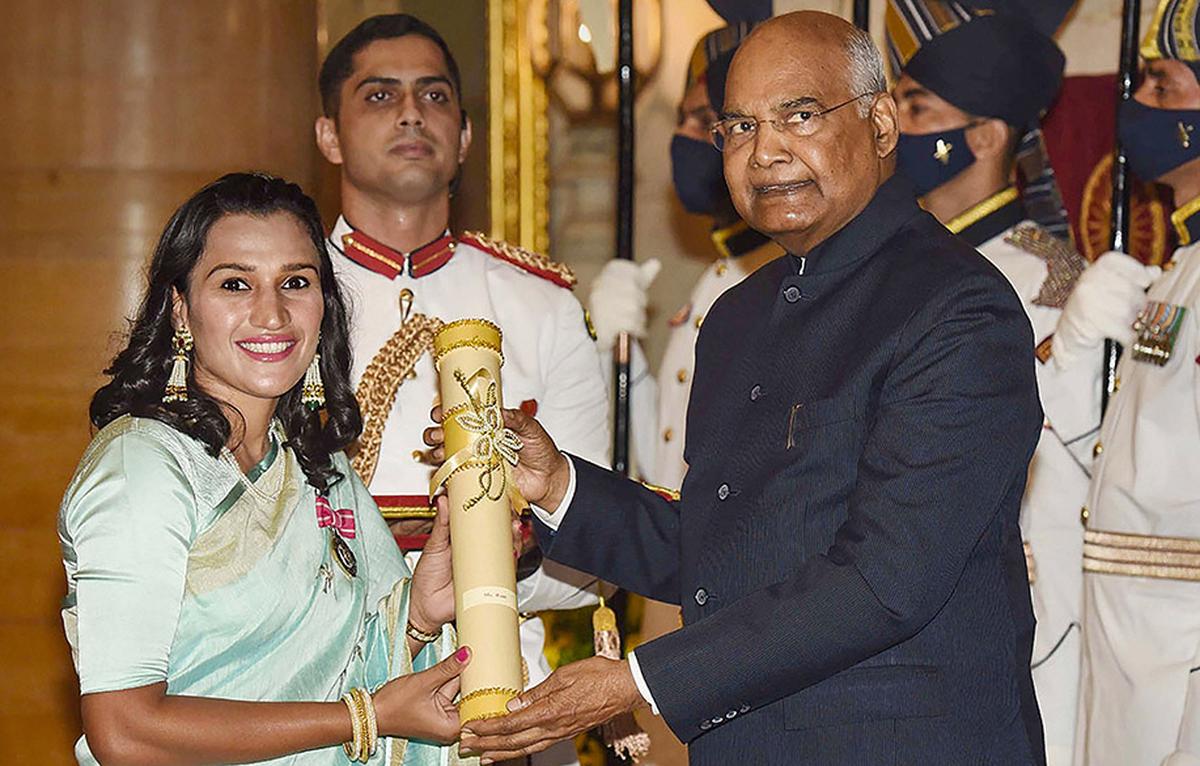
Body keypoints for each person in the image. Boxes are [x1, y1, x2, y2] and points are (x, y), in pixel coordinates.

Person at [450, 11, 1046, 765]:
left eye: (799, 116)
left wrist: (636, 679)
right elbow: (728, 547)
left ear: (883, 125)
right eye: (737, 128)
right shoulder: (739, 316)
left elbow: (885, 578)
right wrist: (560, 483)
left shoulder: (957, 308)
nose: (764, 152)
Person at [58, 173, 472, 765]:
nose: (272, 314)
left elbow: (347, 655)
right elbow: (126, 731)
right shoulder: (144, 468)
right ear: (181, 309)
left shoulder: (317, 463)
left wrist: (419, 615)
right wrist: (365, 718)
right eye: (235, 285)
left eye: (295, 283)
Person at [313, 15, 609, 766]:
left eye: (434, 95)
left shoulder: (540, 303)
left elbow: (593, 558)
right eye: (380, 96)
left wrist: (494, 558)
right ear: (329, 136)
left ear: (466, 136)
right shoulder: (282, 294)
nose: (412, 113)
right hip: (315, 689)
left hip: (509, 702)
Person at [886, 2, 1096, 762]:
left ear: (982, 137)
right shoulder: (881, 268)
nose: (892, 126)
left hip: (1023, 626)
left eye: (916, 108)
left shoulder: (1058, 286)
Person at [1056, 2, 1200, 763]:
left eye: (1163, 86)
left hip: (1177, 676)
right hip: (1124, 661)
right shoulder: (1179, 271)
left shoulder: (1192, 274)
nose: (1136, 105)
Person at [589, 21, 785, 492]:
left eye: (704, 121)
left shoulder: (785, 275)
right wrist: (620, 354)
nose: (683, 138)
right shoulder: (719, 275)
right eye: (681, 119)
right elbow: (667, 458)